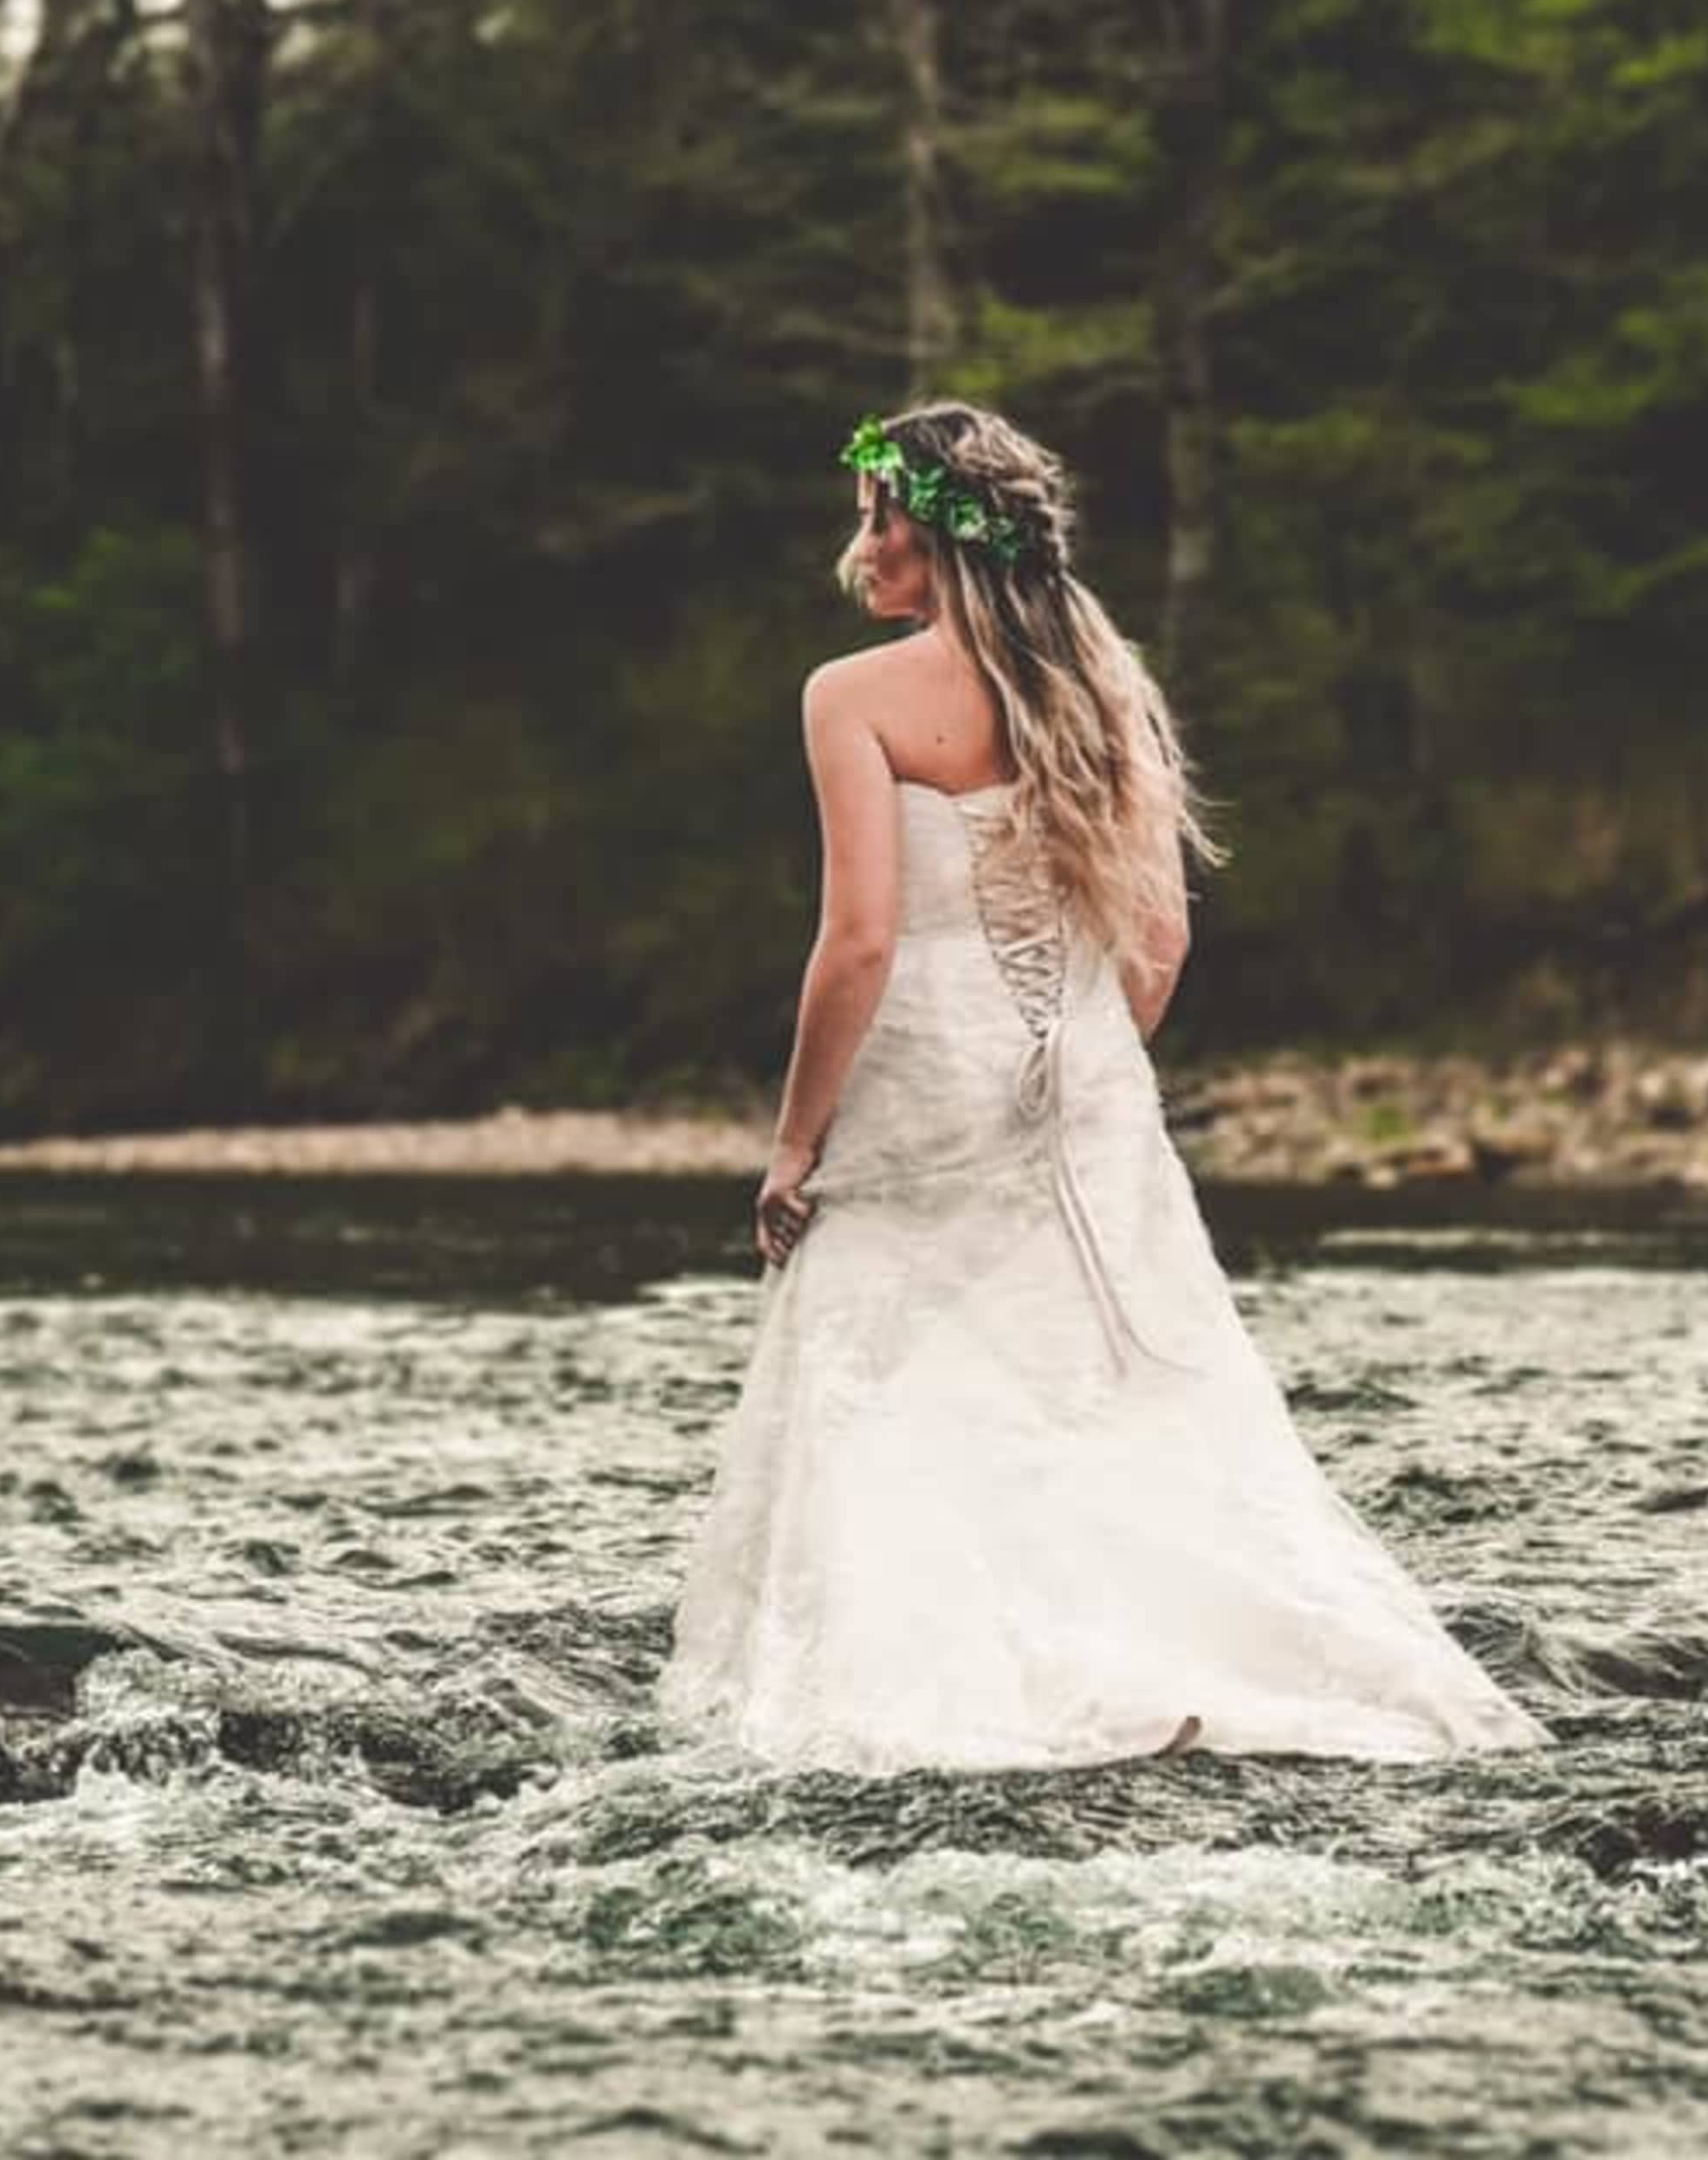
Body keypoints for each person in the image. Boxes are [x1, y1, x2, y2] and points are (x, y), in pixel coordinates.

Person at [657, 400, 1551, 1774]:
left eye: (875, 515)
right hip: (1085, 1089)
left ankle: (957, 1688)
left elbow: (861, 942)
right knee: (1109, 1388)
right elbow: (1162, 939)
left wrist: (792, 1143)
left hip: (922, 1081)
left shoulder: (851, 697)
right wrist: (1081, 1065)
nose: (860, 544)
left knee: (905, 1388)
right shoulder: (1101, 683)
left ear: (935, 532)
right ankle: (1184, 1659)